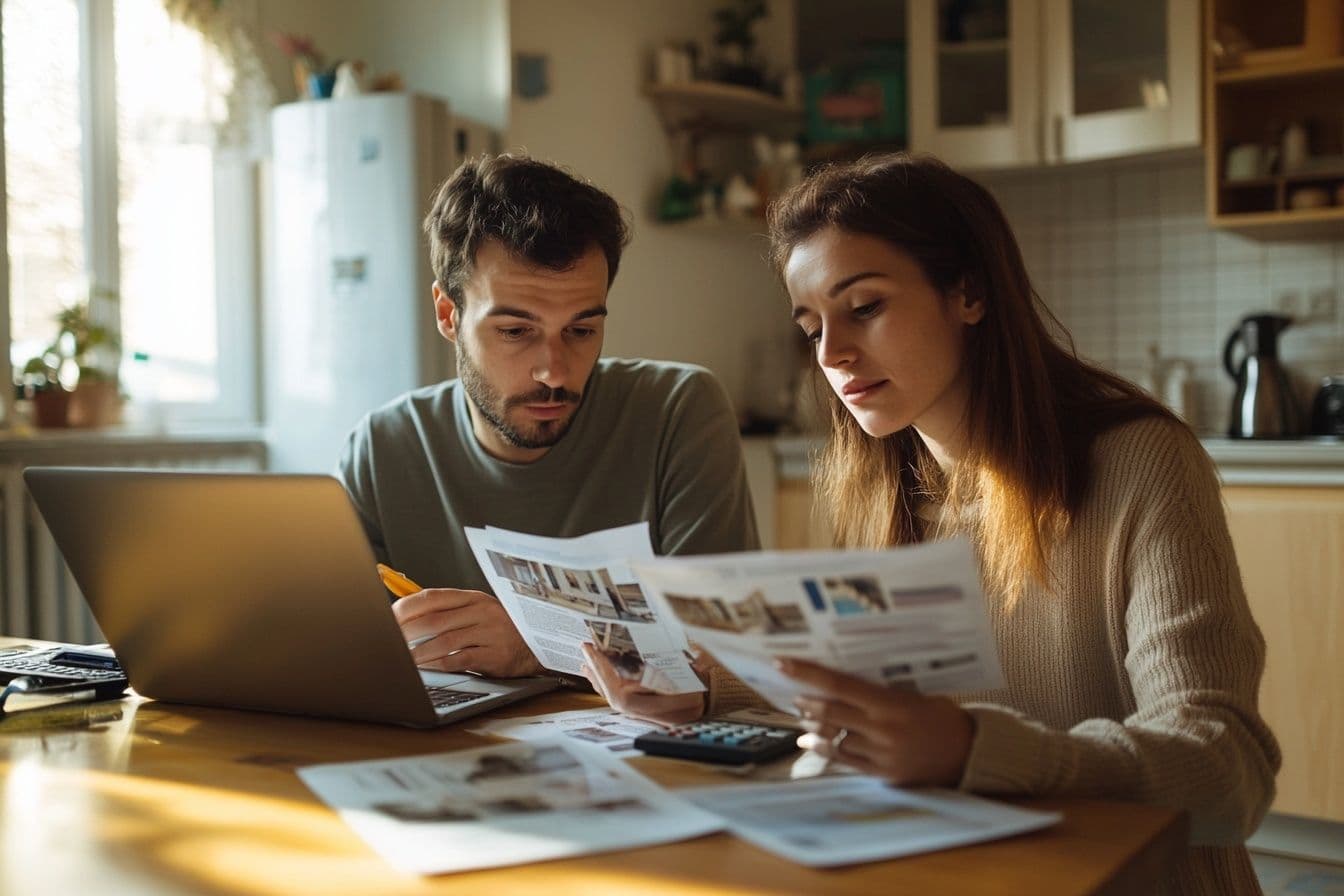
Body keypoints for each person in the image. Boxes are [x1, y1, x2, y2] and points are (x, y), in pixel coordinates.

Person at [586, 153, 1279, 896]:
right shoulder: (886, 479)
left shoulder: (1141, 463)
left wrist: (975, 748)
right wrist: (705, 693)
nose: (832, 354)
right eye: (812, 325)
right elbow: (882, 714)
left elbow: (1225, 766)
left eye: (865, 307)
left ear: (970, 292)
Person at [338, 153, 759, 683]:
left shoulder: (678, 410)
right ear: (449, 315)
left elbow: (730, 649)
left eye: (581, 331)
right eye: (516, 332)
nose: (554, 372)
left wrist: (538, 645)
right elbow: (346, 651)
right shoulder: (382, 447)